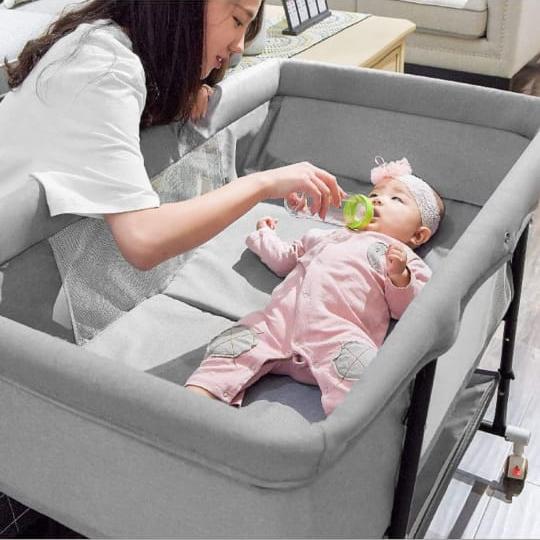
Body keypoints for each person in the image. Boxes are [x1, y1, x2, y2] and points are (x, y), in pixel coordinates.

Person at [0, 0, 344, 273]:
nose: (239, 46)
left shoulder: (114, 44)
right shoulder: (104, 67)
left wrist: (187, 88)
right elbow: (143, 240)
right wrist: (263, 184)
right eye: (238, 21)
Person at [186, 158, 446, 416]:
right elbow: (284, 259)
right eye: (374, 194)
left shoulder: (402, 258)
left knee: (365, 376)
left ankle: (348, 431)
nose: (377, 200)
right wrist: (265, 236)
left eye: (396, 200)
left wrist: (399, 277)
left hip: (337, 333)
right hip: (278, 325)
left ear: (417, 235)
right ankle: (194, 401)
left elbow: (411, 308)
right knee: (231, 345)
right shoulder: (325, 235)